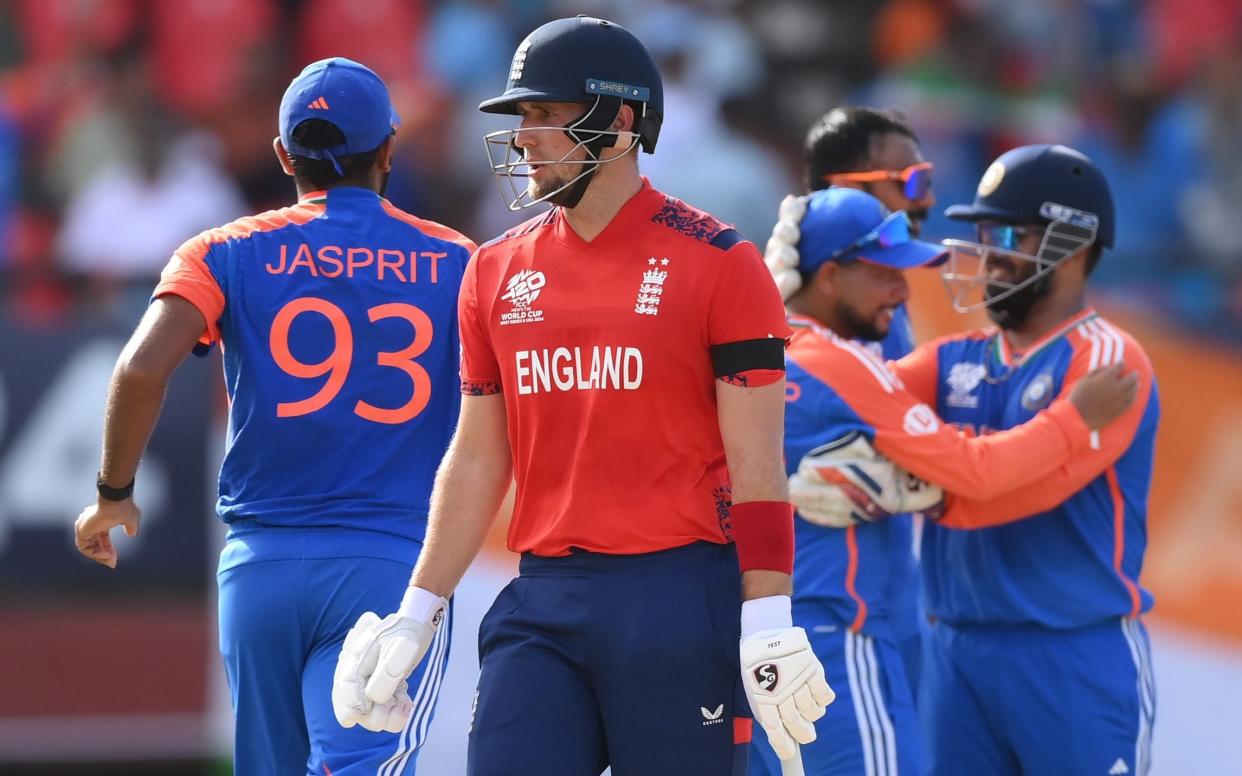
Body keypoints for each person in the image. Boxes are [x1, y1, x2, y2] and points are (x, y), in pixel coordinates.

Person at [330, 16, 833, 775]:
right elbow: (474, 458)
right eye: (519, 117)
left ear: (620, 121)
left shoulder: (722, 264)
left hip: (678, 593)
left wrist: (767, 614)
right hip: (542, 597)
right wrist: (418, 608)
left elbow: (758, 461)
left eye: (542, 114)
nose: (523, 136)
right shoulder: (492, 271)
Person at [73, 58, 476, 775]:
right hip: (389, 563)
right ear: (389, 148)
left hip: (259, 568)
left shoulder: (222, 250)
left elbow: (140, 367)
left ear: (284, 156)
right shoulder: (459, 259)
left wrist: (112, 494)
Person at [751, 186, 1138, 776]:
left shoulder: (755, 350)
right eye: (885, 275)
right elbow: (977, 473)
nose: (903, 294)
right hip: (836, 641)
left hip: (751, 641)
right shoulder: (844, 363)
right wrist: (1074, 418)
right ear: (830, 276)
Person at [798, 105, 938, 703]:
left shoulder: (884, 305)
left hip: (885, 585)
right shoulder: (798, 313)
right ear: (839, 189)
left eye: (925, 179)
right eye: (906, 181)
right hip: (826, 606)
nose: (923, 199)